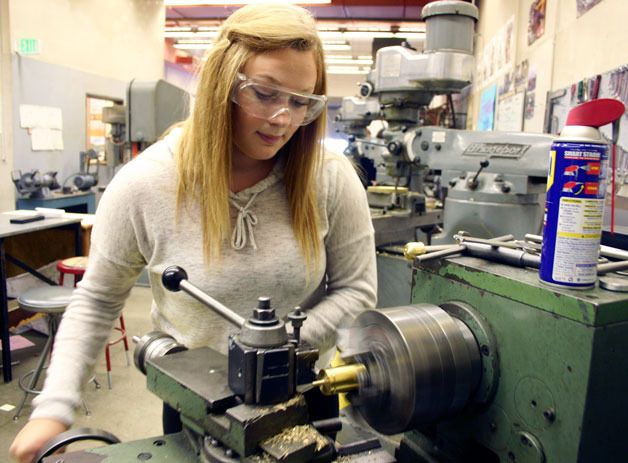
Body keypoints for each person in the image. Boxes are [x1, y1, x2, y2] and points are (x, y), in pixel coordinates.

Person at [10, 3, 376, 462]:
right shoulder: (146, 183)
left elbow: (357, 289)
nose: (283, 118)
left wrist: (272, 353)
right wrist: (54, 407)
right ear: (223, 85)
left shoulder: (330, 177)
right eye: (265, 94)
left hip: (305, 400)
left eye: (301, 101)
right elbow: (99, 297)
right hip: (196, 410)